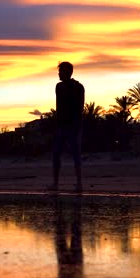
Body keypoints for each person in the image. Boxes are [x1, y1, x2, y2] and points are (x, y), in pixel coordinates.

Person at [52, 60, 84, 191]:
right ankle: (55, 184)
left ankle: (79, 183)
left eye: (61, 71)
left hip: (73, 126)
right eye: (59, 71)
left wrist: (75, 124)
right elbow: (59, 107)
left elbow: (79, 107)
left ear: (67, 72)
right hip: (61, 126)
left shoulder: (78, 87)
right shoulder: (59, 87)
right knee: (56, 154)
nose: (59, 74)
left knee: (76, 154)